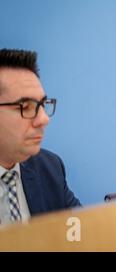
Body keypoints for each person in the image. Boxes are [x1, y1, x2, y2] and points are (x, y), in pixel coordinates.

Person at [0, 49, 80, 225]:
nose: (44, 119)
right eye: (25, 106)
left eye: (43, 104)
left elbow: (80, 233)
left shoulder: (49, 167)